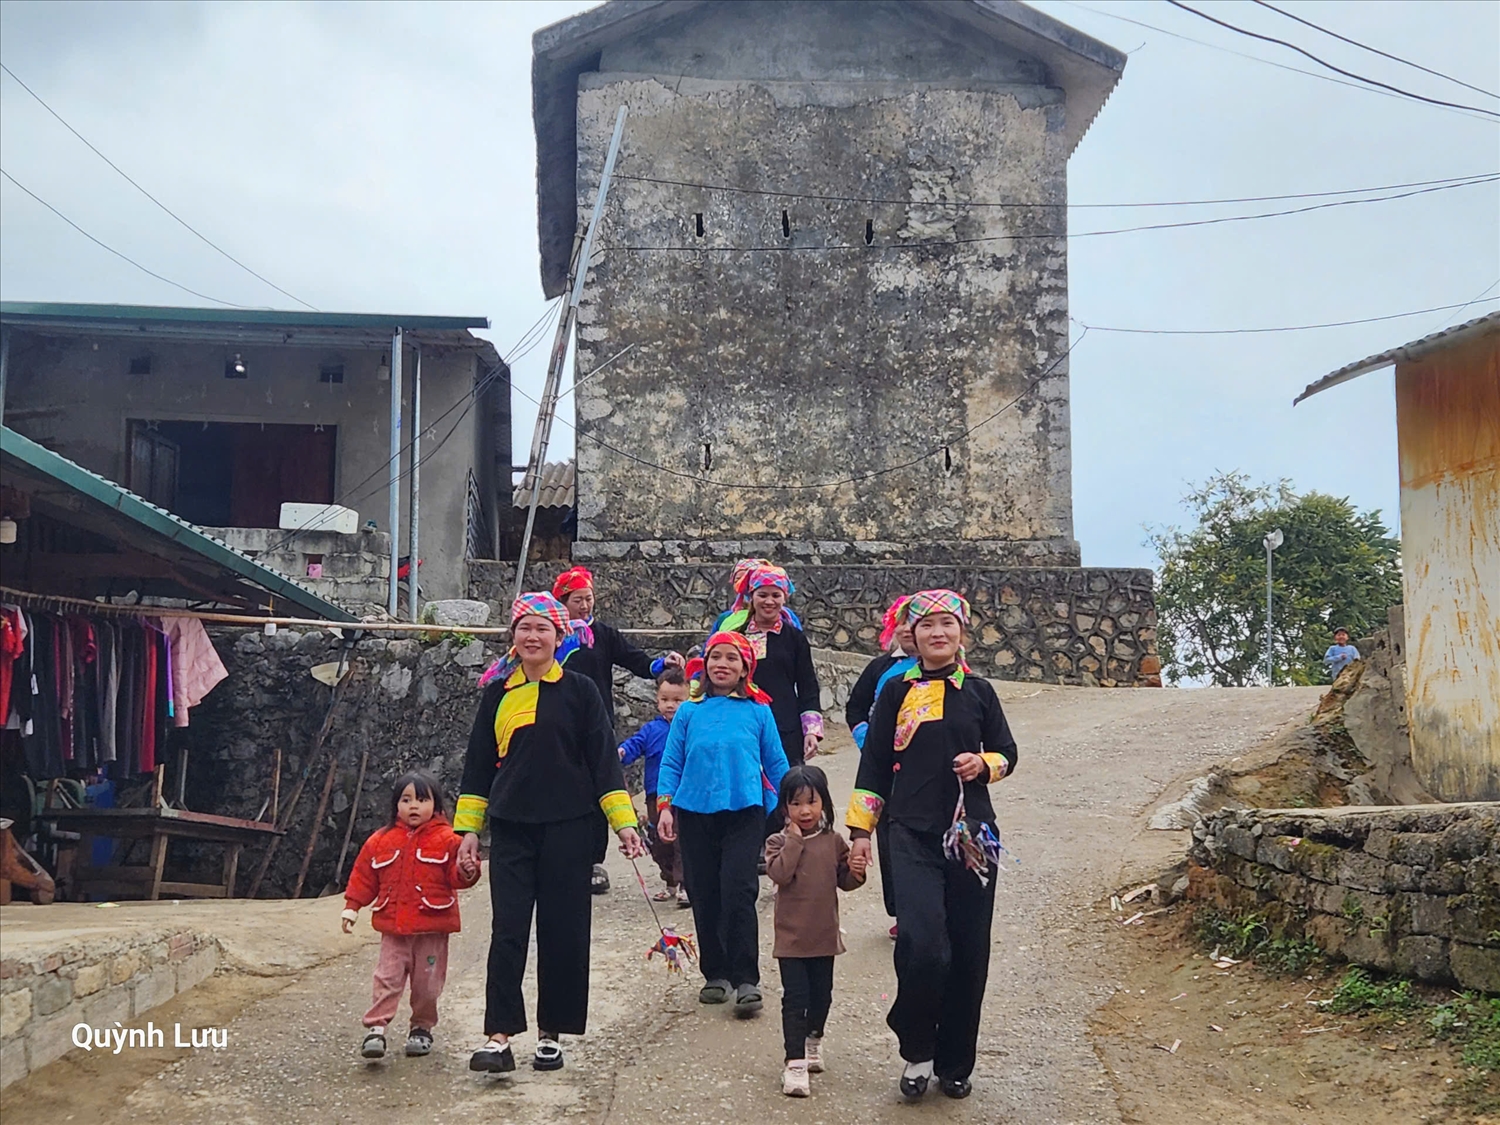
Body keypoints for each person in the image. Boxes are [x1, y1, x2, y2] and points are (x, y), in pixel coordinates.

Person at [457, 593, 646, 1075]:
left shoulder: (581, 691)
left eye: (543, 629)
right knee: (508, 932)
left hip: (570, 827)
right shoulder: (497, 693)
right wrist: (468, 831)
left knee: (564, 932)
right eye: (525, 628)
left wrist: (624, 824)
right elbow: (478, 767)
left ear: (560, 638)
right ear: (513, 637)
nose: (533, 636)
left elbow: (604, 763)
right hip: (513, 828)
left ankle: (550, 1035)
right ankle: (499, 1037)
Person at [846, 589, 1018, 1101]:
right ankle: (917, 1048)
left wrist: (985, 765)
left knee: (969, 952)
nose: (937, 633)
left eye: (946, 623)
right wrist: (860, 834)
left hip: (973, 838)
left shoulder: (980, 692)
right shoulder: (895, 689)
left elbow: (1008, 752)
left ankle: (955, 1063)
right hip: (911, 833)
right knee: (922, 946)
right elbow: (874, 764)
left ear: (962, 632)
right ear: (912, 636)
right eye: (926, 626)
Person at [657, 631, 789, 1017]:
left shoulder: (758, 711)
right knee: (703, 891)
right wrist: (665, 807)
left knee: (739, 889)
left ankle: (746, 977)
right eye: (716, 657)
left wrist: (795, 806)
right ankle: (715, 975)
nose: (723, 664)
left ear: (746, 667)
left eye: (732, 658)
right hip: (695, 812)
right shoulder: (689, 712)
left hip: (744, 810)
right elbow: (671, 762)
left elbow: (777, 763)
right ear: (705, 665)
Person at [552, 565, 684, 895]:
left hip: (596, 725)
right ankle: (563, 858)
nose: (584, 606)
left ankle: (595, 862)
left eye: (589, 599)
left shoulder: (604, 634)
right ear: (562, 602)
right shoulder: (552, 635)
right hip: (556, 725)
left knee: (598, 790)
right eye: (577, 600)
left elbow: (633, 659)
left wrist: (660, 665)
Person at [341, 769, 480, 1061]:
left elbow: (458, 876)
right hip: (393, 931)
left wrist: (469, 870)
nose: (413, 806)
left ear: (437, 805)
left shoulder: (449, 840)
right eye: (405, 800)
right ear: (395, 805)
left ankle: (421, 1028)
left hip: (432, 931)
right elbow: (364, 877)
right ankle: (376, 1029)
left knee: (427, 985)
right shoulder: (379, 841)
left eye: (421, 799)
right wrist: (352, 907)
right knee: (387, 979)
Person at [764, 764, 867, 1097]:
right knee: (795, 999)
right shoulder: (777, 841)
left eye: (812, 802)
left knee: (822, 996)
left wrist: (856, 870)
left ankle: (813, 1040)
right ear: (784, 807)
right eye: (795, 803)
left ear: (824, 803)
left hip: (824, 938)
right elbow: (779, 875)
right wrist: (794, 842)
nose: (804, 810)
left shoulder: (833, 841)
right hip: (791, 940)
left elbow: (846, 881)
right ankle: (794, 1063)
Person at [844, 594, 916, 936]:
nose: (908, 629)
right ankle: (902, 913)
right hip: (888, 772)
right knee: (890, 840)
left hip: (930, 771)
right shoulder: (880, 669)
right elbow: (855, 709)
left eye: (915, 622)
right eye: (901, 621)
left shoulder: (954, 672)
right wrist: (869, 743)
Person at [731, 564, 823, 770]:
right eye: (762, 595)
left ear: (785, 598)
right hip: (743, 725)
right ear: (751, 596)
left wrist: (811, 731)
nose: (769, 601)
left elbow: (808, 685)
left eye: (776, 595)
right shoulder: (737, 637)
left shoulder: (795, 638)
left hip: (786, 728)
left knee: (787, 790)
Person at [619, 666, 690, 904]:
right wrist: (621, 752)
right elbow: (634, 745)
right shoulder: (651, 729)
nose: (671, 705)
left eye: (678, 700)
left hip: (684, 795)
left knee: (682, 841)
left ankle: (684, 884)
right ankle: (670, 881)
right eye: (665, 699)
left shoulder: (691, 727)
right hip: (655, 795)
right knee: (659, 842)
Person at [713, 557, 804, 634]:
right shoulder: (726, 619)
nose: (769, 601)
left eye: (775, 595)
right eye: (738, 579)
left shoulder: (788, 619)